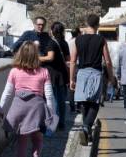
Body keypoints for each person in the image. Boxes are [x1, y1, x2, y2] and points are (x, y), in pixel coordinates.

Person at [0, 42, 58, 157]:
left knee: (22, 144)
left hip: (19, 107)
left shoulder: (14, 71)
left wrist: (1, 109)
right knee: (38, 140)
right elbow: (49, 96)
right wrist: (51, 114)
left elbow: (7, 92)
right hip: (37, 108)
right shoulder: (44, 72)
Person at [70, 14, 113, 146]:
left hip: (81, 73)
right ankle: (86, 127)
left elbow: (72, 61)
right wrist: (111, 77)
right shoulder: (101, 40)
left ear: (87, 23)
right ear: (97, 25)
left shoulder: (78, 40)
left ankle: (86, 132)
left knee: (84, 102)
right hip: (95, 73)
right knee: (94, 103)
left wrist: (71, 79)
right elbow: (107, 60)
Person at [41, 22, 70, 131]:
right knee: (61, 100)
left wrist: (37, 58)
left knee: (51, 99)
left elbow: (50, 57)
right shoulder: (64, 43)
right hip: (62, 74)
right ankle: (61, 122)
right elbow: (68, 59)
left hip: (52, 74)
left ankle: (52, 122)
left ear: (52, 30)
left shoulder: (51, 43)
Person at [68, 27, 81, 113]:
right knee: (79, 86)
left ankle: (72, 106)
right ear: (78, 33)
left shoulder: (68, 42)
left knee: (71, 85)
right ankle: (78, 106)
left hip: (69, 65)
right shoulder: (79, 41)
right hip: (78, 65)